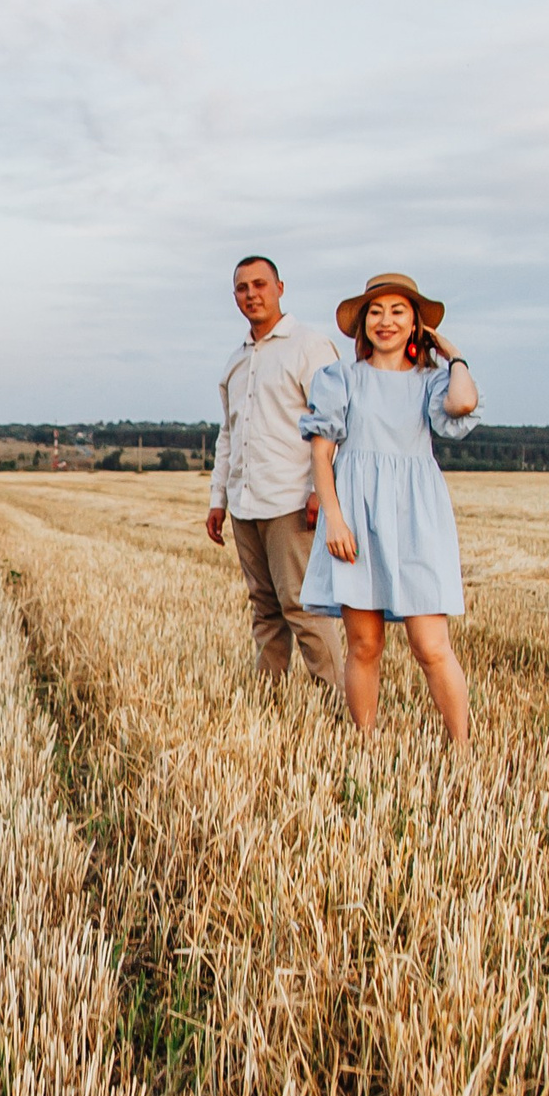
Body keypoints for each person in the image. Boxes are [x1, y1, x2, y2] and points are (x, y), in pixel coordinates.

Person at [299, 272, 481, 746]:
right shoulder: (341, 378)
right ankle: (364, 744)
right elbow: (321, 454)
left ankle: (461, 748)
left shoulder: (431, 383)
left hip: (417, 519)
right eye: (375, 312)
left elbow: (463, 403)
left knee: (431, 644)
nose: (385, 321)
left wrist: (452, 353)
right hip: (356, 517)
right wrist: (334, 519)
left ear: (415, 323)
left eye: (398, 311)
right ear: (362, 325)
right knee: (365, 644)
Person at [207, 256, 346, 690]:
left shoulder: (309, 346)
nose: (252, 294)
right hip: (245, 503)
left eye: (260, 284)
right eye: (242, 288)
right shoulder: (236, 360)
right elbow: (228, 434)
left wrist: (321, 490)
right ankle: (269, 700)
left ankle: (340, 706)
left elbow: (336, 422)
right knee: (264, 607)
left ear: (280, 287)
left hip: (291, 500)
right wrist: (218, 499)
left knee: (303, 608)